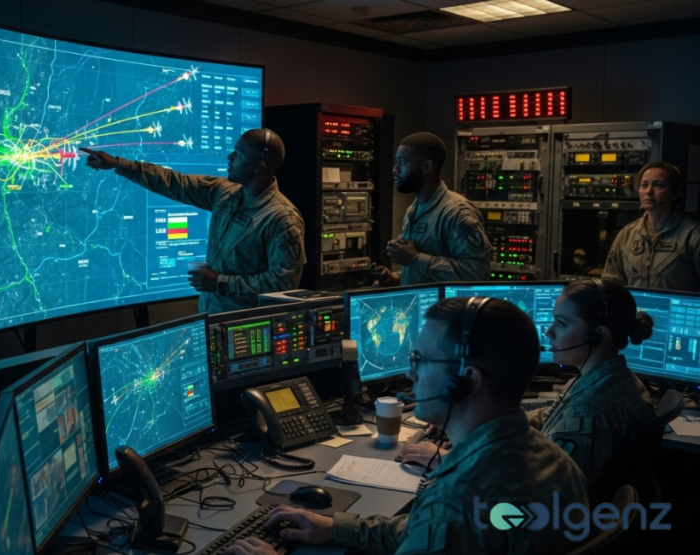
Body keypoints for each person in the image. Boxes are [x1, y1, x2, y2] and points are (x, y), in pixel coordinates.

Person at [227, 297, 588, 555]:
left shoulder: (456, 502)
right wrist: (339, 527)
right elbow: (430, 534)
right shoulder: (556, 462)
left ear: (466, 380)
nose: (409, 373)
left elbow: (443, 528)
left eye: (420, 360)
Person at [401, 279, 655, 497]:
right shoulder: (607, 378)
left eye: (562, 323)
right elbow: (549, 417)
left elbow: (539, 488)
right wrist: (478, 427)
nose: (548, 332)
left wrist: (447, 459)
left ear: (597, 335)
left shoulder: (591, 409)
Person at [79, 129, 304, 314]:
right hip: (210, 315)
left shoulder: (281, 219)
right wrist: (119, 164)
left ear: (258, 167)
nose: (229, 158)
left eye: (238, 154)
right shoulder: (225, 192)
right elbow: (174, 182)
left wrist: (221, 283)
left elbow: (284, 283)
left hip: (245, 328)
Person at [375, 132, 491, 287]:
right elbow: (423, 268)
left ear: (427, 166)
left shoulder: (457, 213)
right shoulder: (414, 209)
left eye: (402, 162)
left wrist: (415, 259)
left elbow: (477, 273)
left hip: (447, 310)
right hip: (421, 308)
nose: (395, 169)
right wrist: (397, 278)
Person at [603, 161, 700, 291]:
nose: (648, 191)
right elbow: (611, 285)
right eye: (644, 185)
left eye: (658, 185)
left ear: (675, 193)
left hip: (676, 310)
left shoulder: (693, 236)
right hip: (634, 311)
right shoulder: (626, 235)